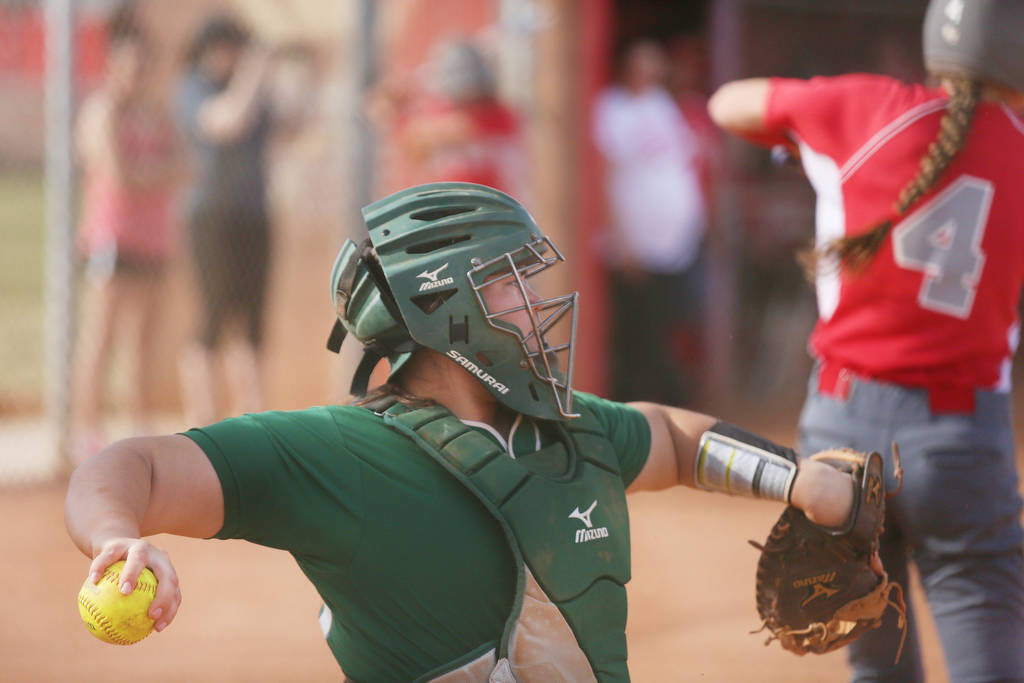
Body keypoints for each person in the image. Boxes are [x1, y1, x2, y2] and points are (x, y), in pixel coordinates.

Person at [66, 182, 862, 681]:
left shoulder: (574, 429)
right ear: (445, 312)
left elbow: (675, 440)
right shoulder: (339, 455)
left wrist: (795, 478)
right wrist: (115, 536)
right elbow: (129, 465)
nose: (539, 302)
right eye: (510, 284)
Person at [707, 1, 1024, 680]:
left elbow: (727, 103)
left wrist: (801, 136)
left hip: (841, 431)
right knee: (986, 645)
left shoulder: (864, 107)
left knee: (877, 662)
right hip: (960, 435)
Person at [71, 9, 181, 462]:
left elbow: (186, 165)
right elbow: (119, 174)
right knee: (101, 337)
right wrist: (158, 174)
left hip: (153, 240)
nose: (138, 75)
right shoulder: (103, 110)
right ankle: (86, 431)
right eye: (130, 66)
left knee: (143, 340)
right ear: (115, 67)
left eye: (145, 66)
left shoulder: (156, 114)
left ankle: (136, 427)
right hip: (112, 239)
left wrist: (150, 174)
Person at [174, 15, 277, 426]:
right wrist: (255, 72)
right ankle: (202, 414)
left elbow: (292, 127)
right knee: (213, 313)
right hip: (211, 216)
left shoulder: (253, 90)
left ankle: (252, 412)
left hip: (253, 213)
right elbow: (228, 121)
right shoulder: (194, 88)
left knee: (253, 315)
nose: (229, 56)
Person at [593, 40, 708, 406]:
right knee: (640, 336)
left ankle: (670, 409)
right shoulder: (611, 108)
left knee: (673, 326)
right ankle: (641, 412)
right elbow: (605, 174)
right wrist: (621, 238)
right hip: (636, 247)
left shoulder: (660, 103)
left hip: (675, 244)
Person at [367, 39, 526, 198]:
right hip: (451, 210)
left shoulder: (499, 116)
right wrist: (396, 107)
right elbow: (416, 146)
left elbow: (454, 131)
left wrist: (402, 115)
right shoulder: (445, 112)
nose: (466, 101)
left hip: (495, 211)